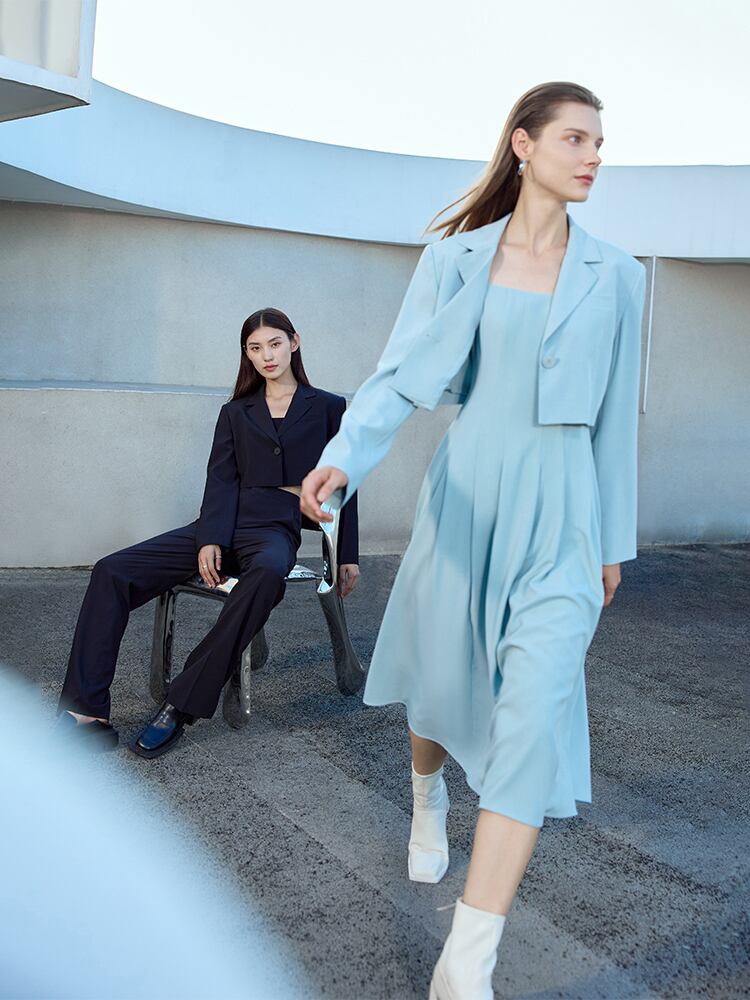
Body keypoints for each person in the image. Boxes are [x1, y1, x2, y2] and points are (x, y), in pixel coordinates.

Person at [301, 81, 647, 999]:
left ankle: (467, 959)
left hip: (565, 514)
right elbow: (396, 377)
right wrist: (343, 459)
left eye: (600, 142)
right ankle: (426, 791)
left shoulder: (620, 276)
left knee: (533, 718)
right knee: (440, 677)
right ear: (524, 145)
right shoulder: (454, 261)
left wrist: (611, 541)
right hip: (467, 498)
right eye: (576, 138)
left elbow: (619, 418)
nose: (594, 155)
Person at [57, 307, 359, 759]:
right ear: (247, 355)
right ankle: (85, 713)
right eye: (255, 348)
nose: (267, 355)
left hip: (275, 528)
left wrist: (346, 554)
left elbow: (345, 483)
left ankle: (180, 704)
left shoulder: (329, 407)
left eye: (274, 344)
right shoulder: (236, 412)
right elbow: (220, 478)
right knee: (111, 571)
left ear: (294, 342)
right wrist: (209, 539)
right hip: (220, 522)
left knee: (268, 574)